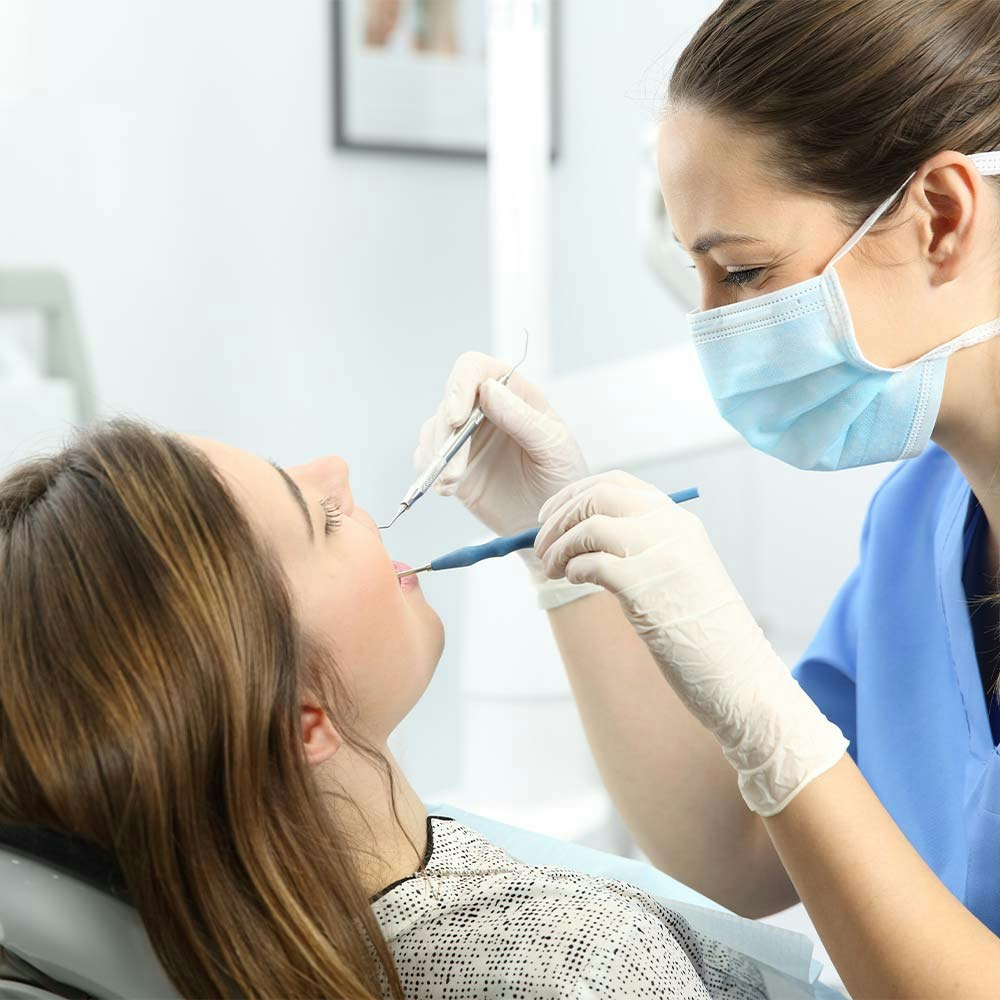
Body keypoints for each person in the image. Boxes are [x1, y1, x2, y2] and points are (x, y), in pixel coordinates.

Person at [414, 1, 1000, 996]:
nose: (713, 326)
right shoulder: (917, 522)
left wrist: (769, 707)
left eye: (743, 271)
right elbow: (737, 847)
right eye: (694, 270)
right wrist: (561, 540)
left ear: (941, 216)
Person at [0, 418, 781, 999]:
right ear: (300, 724)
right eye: (323, 519)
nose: (338, 470)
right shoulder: (579, 966)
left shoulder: (268, 940)